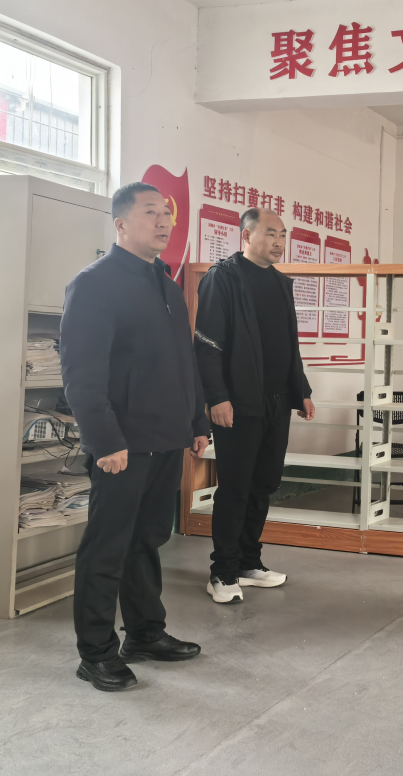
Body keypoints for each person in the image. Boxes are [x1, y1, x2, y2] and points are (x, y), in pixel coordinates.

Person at [61, 182, 211, 692]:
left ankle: (145, 633)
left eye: (166, 213)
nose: (164, 221)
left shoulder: (166, 286)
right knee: (107, 548)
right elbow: (82, 374)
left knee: (147, 540)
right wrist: (104, 440)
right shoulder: (95, 284)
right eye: (151, 213)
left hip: (166, 438)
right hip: (122, 445)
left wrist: (196, 423)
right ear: (121, 224)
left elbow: (184, 362)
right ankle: (96, 652)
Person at [194, 207, 315, 604]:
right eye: (270, 234)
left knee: (264, 484)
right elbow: (207, 344)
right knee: (235, 487)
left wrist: (301, 390)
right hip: (238, 403)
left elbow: (289, 343)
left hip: (277, 401)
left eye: (283, 235)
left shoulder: (280, 282)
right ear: (246, 235)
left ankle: (248, 562)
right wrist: (217, 397)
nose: (279, 242)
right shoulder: (223, 278)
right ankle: (222, 571)